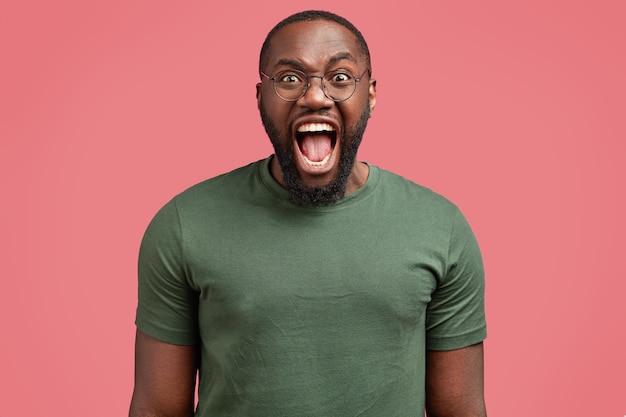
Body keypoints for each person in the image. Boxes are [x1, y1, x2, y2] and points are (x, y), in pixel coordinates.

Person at [129, 10, 487, 417]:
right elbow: (157, 409)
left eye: (339, 78)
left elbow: (461, 410)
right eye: (289, 79)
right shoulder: (183, 226)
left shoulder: (440, 228)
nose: (314, 97)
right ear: (260, 96)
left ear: (369, 95)